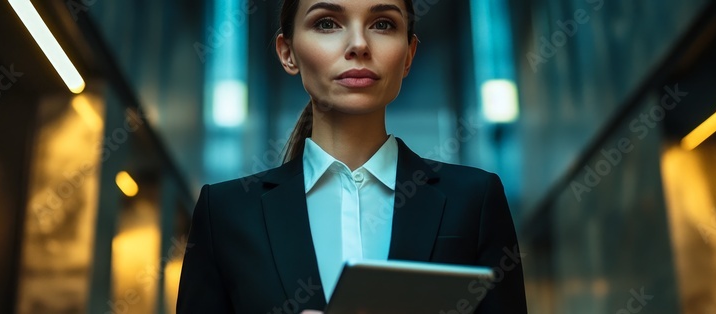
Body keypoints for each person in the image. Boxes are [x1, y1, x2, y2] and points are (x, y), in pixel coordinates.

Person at [176, 0, 527, 312]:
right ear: (287, 53)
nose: (359, 44)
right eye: (327, 23)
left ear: (408, 55)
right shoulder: (225, 213)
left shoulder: (474, 200)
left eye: (383, 24)